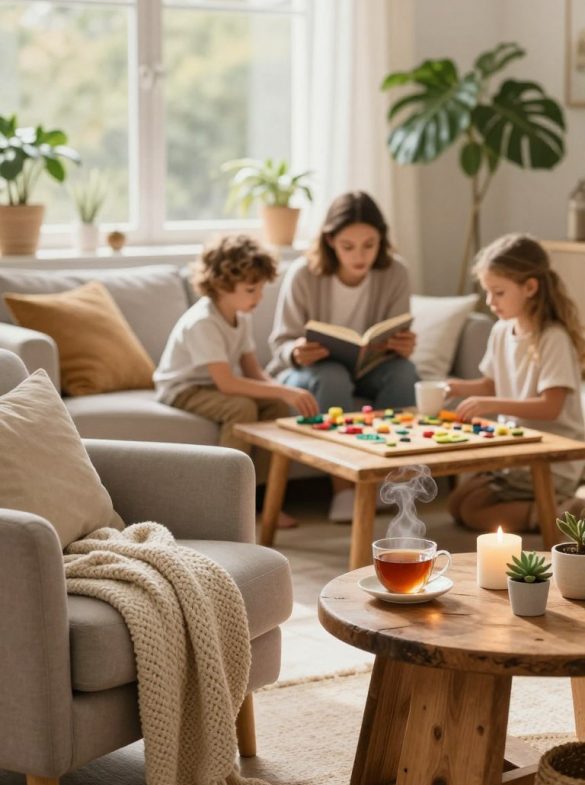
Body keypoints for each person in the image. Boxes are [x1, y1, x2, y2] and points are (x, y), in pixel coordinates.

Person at [267, 191, 418, 520]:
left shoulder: (395, 273)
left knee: (405, 372)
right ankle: (345, 489)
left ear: (381, 239)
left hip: (371, 367)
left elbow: (397, 332)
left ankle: (386, 481)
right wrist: (296, 351)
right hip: (311, 372)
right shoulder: (304, 273)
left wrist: (403, 346)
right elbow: (280, 343)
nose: (360, 255)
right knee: (332, 375)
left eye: (369, 244)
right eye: (348, 246)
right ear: (331, 240)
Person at [154, 234, 319, 528]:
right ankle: (227, 504)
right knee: (240, 408)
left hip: (213, 384)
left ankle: (266, 502)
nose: (258, 298)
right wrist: (284, 390)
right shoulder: (204, 321)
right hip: (182, 387)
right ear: (221, 285)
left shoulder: (241, 316)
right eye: (251, 289)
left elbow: (253, 370)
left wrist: (282, 394)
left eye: (260, 289)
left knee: (274, 408)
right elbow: (227, 384)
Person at [446, 233, 585, 533]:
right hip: (518, 453)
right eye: (487, 292)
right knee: (458, 503)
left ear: (530, 287)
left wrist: (489, 405)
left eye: (498, 292)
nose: (489, 302)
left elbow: (551, 407)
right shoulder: (501, 331)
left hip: (553, 457)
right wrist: (456, 388)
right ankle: (549, 508)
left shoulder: (552, 338)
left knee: (474, 512)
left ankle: (565, 514)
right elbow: (491, 385)